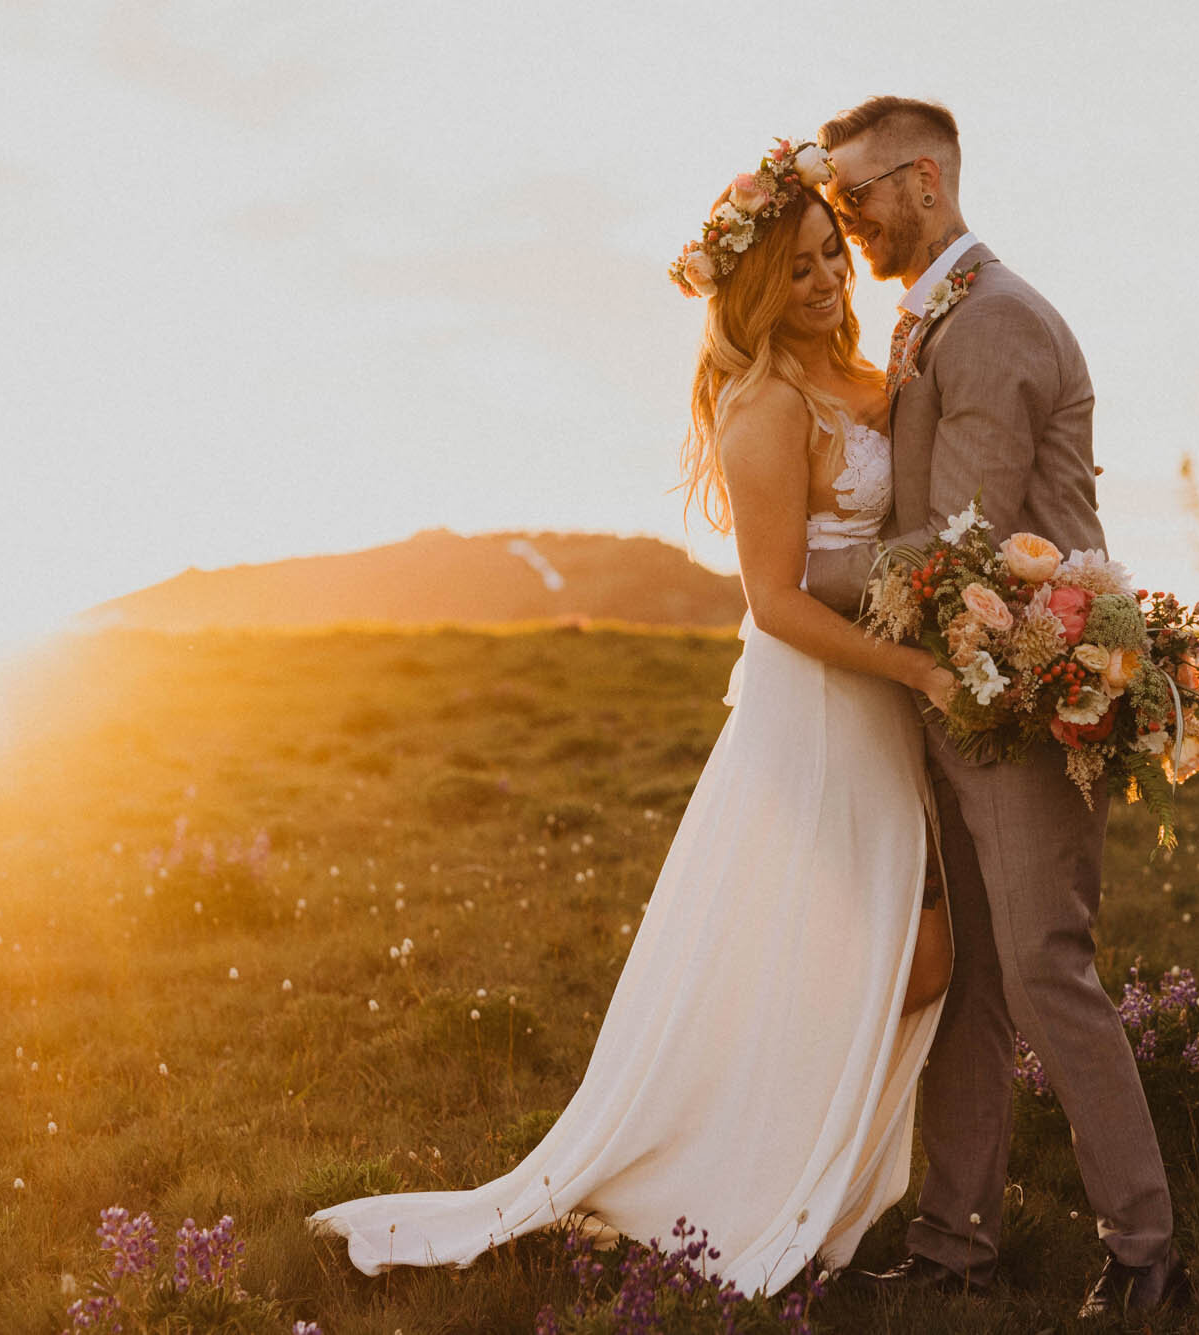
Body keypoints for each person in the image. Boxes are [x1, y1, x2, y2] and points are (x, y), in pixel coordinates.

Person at [308, 138, 956, 1298]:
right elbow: (771, 603)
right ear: (753, 289)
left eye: (828, 257)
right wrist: (911, 676)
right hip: (821, 704)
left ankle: (832, 1166)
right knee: (854, 950)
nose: (823, 282)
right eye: (797, 269)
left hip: (888, 698)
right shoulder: (763, 406)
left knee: (905, 952)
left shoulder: (875, 376)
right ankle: (751, 1174)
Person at [802, 96, 1191, 1319]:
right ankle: (951, 1240)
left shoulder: (999, 322)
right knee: (973, 975)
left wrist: (792, 579)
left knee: (1040, 969)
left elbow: (958, 552)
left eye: (855, 197)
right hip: (960, 690)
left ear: (922, 182)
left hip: (1031, 698)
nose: (844, 221)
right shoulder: (934, 316)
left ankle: (1146, 1254)